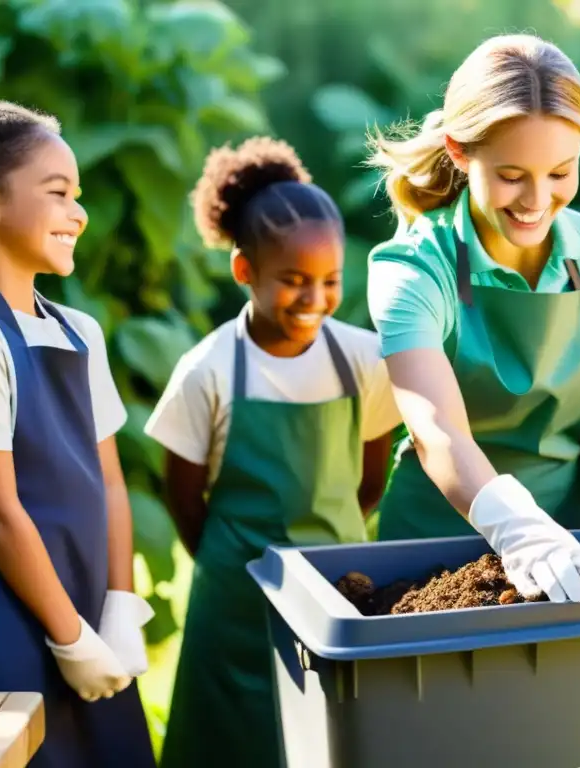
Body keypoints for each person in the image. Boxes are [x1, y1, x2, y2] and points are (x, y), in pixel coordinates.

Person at [364, 33, 580, 605]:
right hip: (430, 558)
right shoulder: (411, 267)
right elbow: (438, 432)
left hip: (571, 556)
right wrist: (519, 532)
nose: (537, 199)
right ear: (460, 151)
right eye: (511, 175)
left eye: (560, 172)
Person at [145, 136, 402, 768]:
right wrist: (228, 564)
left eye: (330, 280)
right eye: (292, 280)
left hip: (336, 595)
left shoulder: (364, 362)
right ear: (244, 271)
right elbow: (182, 495)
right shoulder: (207, 369)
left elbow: (370, 482)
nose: (313, 299)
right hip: (232, 603)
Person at [0, 101, 156, 766]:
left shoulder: (82, 333)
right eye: (58, 194)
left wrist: (120, 605)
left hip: (88, 605)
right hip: (4, 619)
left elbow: (109, 480)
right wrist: (69, 635)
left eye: (78, 196)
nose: (78, 213)